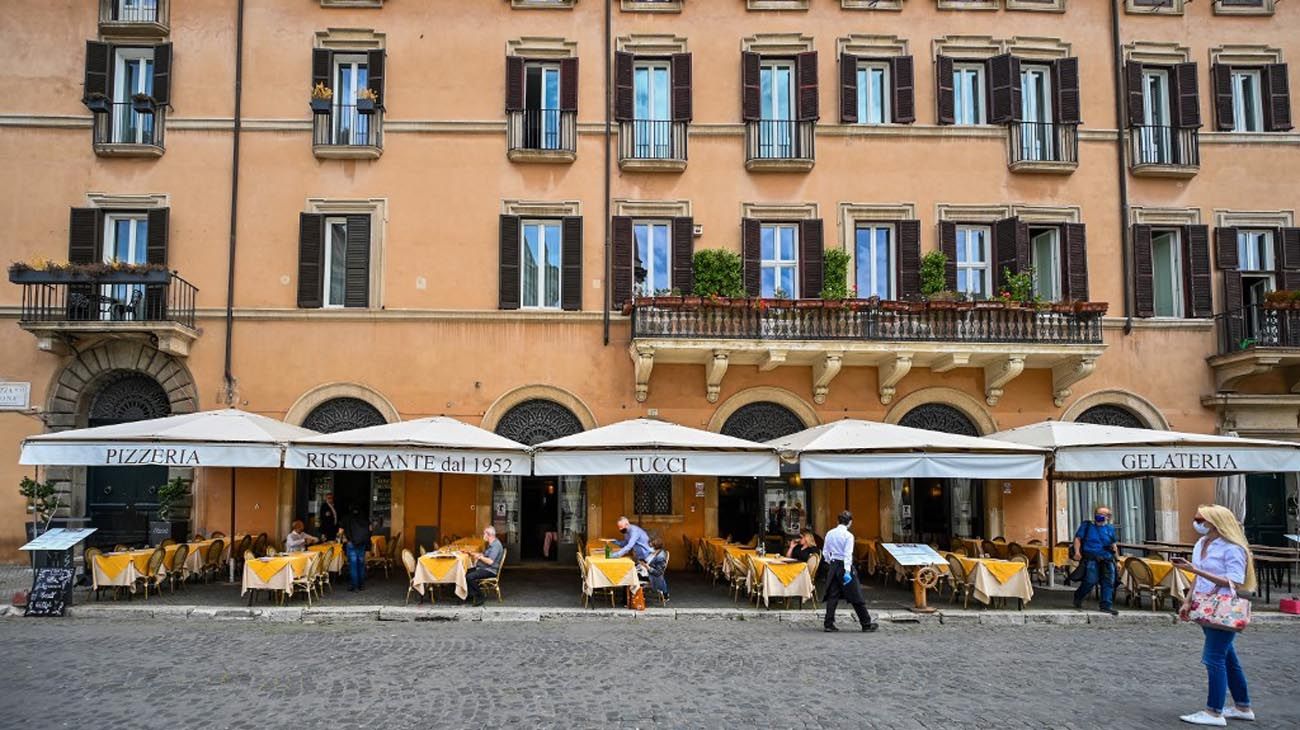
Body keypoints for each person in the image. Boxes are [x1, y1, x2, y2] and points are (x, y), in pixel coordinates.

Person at [1172, 505, 1257, 726]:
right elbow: (1198, 579)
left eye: (1201, 519)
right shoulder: (1201, 543)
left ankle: (1214, 712)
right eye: (1196, 518)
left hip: (1224, 608)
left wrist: (1194, 570)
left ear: (1216, 521)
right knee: (1228, 657)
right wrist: (1187, 601)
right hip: (1205, 605)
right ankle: (1242, 706)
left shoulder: (1233, 548)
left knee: (1214, 658)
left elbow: (1234, 582)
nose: (1197, 522)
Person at [821, 511, 875, 633]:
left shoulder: (830, 533)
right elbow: (847, 555)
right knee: (856, 595)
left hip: (834, 565)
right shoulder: (848, 536)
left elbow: (825, 552)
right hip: (844, 566)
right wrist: (847, 571)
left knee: (832, 595)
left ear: (837, 521)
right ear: (850, 522)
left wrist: (830, 562)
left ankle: (828, 623)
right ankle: (866, 623)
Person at [1071, 505, 1120, 616]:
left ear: (1108, 517)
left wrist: (1117, 560)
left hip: (1107, 558)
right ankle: (1078, 596)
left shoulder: (1110, 529)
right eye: (1099, 514)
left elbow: (1113, 544)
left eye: (1104, 514)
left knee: (1108, 582)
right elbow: (1078, 538)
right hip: (1091, 558)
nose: (1100, 516)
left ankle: (1106, 605)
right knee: (1090, 581)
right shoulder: (1087, 526)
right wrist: (1077, 552)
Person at [465, 525, 504, 607]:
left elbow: (490, 561)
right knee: (465, 572)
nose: (483, 536)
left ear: (488, 535)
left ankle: (480, 595)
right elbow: (485, 555)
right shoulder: (492, 544)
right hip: (485, 567)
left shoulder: (496, 546)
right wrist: (474, 554)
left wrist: (480, 557)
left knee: (469, 577)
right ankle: (470, 594)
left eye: (484, 534)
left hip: (490, 570)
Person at [339, 505, 371, 592]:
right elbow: (370, 531)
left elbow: (340, 531)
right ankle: (361, 585)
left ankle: (355, 586)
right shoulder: (364, 517)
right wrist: (369, 547)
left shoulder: (346, 518)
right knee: (360, 564)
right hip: (362, 544)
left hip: (351, 544)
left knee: (353, 565)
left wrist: (341, 538)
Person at [640, 537, 669, 602]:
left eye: (650, 546)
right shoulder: (653, 553)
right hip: (645, 571)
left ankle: (635, 598)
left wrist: (647, 567)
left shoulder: (660, 557)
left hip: (651, 575)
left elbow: (658, 573)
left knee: (632, 578)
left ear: (655, 547)